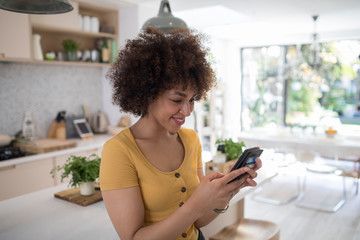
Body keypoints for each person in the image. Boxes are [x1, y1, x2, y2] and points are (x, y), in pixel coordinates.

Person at [100, 27, 262, 240]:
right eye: (177, 100)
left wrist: (228, 192)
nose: (187, 111)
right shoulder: (119, 151)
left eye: (192, 99)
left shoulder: (190, 139)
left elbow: (199, 220)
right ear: (148, 94)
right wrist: (195, 205)